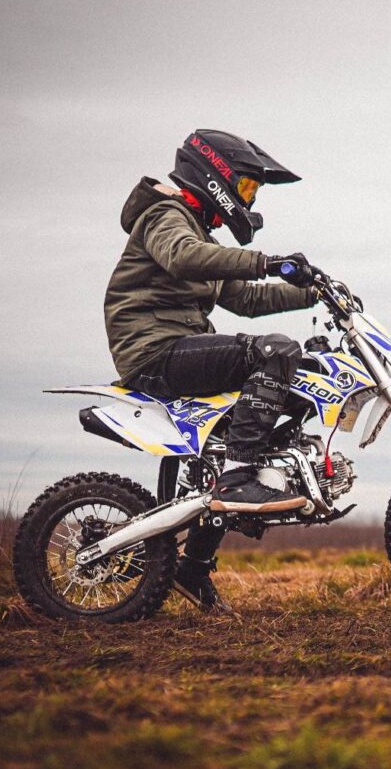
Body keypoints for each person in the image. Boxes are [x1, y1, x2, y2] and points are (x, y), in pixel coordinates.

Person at [104, 129, 318, 610]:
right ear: (215, 174)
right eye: (246, 187)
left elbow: (246, 299)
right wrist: (269, 261)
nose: (250, 199)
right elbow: (181, 258)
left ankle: (193, 567)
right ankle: (239, 474)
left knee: (288, 380)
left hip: (181, 348)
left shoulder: (203, 235)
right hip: (156, 352)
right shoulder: (166, 215)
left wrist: (313, 291)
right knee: (275, 352)